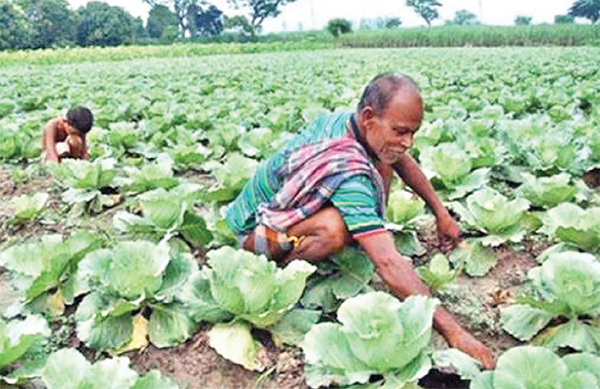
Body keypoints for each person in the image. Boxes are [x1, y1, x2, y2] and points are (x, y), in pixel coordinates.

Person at [225, 73, 495, 369]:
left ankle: (364, 228)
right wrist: (455, 332)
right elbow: (388, 263)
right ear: (369, 117)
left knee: (386, 161)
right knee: (333, 230)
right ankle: (286, 274)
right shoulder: (346, 165)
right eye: (401, 131)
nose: (408, 142)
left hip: (285, 214)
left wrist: (441, 214)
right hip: (254, 233)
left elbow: (402, 160)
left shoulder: (352, 124)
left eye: (413, 133)